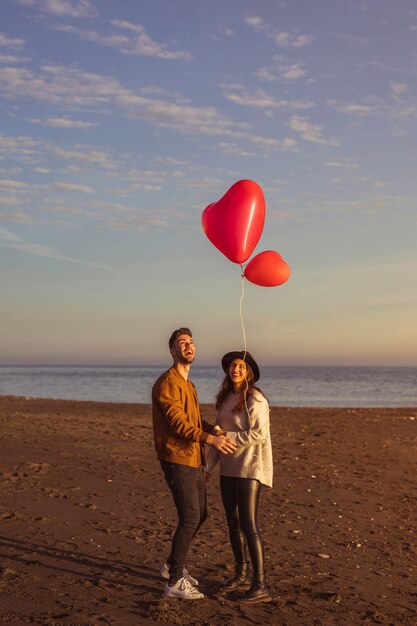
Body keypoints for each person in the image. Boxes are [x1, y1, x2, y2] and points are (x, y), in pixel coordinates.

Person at [152, 327, 237, 600]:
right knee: (189, 516)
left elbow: (194, 419)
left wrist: (214, 430)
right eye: (181, 343)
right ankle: (174, 581)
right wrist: (210, 441)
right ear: (172, 351)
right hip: (177, 457)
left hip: (192, 458)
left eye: (191, 342)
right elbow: (178, 424)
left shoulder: (188, 384)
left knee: (200, 514)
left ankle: (170, 566)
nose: (188, 346)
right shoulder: (168, 383)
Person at [206, 350, 273, 604]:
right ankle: (241, 574)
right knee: (232, 523)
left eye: (241, 367)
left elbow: (258, 434)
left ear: (248, 373)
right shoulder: (226, 398)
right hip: (228, 469)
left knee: (249, 523)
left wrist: (227, 438)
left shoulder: (255, 398)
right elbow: (216, 439)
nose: (235, 369)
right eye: (233, 365)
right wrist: (207, 466)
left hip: (249, 468)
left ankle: (261, 584)